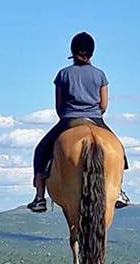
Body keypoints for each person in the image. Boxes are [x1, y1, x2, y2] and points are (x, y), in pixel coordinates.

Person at [27, 31, 130, 212]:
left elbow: (58, 106)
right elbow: (104, 105)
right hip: (96, 119)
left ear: (72, 50)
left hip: (68, 120)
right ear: (92, 52)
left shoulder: (63, 74)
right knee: (119, 151)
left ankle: (39, 197)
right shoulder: (100, 75)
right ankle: (119, 190)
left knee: (40, 151)